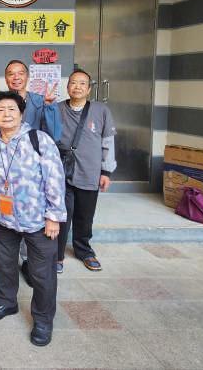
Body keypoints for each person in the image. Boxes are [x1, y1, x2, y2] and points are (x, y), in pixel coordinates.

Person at [0, 91, 66, 347]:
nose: (6, 114)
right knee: (5, 266)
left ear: (21, 113)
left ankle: (43, 320)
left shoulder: (38, 140)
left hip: (38, 220)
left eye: (12, 109)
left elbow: (55, 179)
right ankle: (7, 302)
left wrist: (54, 216)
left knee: (42, 274)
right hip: (4, 219)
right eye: (0, 110)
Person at [0, 59, 62, 279]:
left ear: (27, 76)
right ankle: (11, 280)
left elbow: (54, 137)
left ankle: (30, 267)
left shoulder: (40, 101)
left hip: (33, 186)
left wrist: (50, 107)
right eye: (11, 74)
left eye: (20, 73)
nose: (16, 77)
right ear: (5, 78)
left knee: (37, 256)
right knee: (6, 250)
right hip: (5, 185)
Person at [57, 69, 117, 273]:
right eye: (73, 83)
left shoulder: (101, 111)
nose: (77, 87)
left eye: (82, 83)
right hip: (62, 172)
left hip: (90, 172)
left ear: (89, 89)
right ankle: (57, 254)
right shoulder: (57, 109)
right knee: (61, 215)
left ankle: (84, 251)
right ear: (67, 87)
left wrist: (106, 172)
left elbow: (108, 142)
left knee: (85, 215)